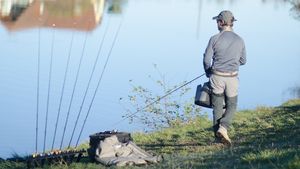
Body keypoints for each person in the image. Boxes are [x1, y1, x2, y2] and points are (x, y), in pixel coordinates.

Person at [203, 10, 246, 145]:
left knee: (217, 107)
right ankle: (224, 128)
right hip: (232, 77)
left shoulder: (214, 38)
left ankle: (218, 136)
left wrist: (208, 71)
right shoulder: (240, 39)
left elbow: (206, 60)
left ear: (222, 23)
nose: (216, 24)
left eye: (217, 21)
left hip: (217, 77)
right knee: (232, 105)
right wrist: (232, 62)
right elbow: (243, 60)